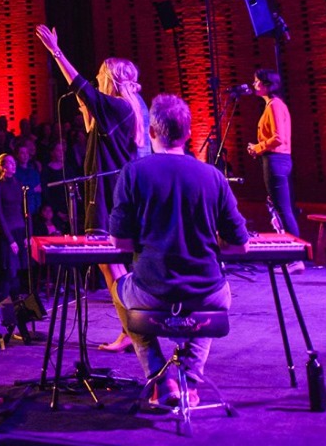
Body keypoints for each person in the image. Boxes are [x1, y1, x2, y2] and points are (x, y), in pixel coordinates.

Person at [107, 95, 250, 411]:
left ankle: (160, 377)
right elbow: (241, 244)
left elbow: (119, 243)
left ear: (151, 131)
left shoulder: (133, 173)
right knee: (217, 298)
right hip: (205, 291)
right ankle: (190, 378)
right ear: (188, 134)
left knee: (119, 289)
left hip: (153, 291)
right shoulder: (213, 176)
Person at [34, 24, 146, 350]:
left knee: (110, 264)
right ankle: (131, 329)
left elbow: (78, 83)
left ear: (111, 79)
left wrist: (56, 51)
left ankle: (134, 329)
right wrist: (87, 111)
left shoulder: (118, 106)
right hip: (113, 192)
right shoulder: (126, 107)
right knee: (111, 265)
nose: (96, 80)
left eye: (100, 76)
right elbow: (97, 137)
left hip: (108, 196)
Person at [245, 70, 301, 241]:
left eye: (257, 81)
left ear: (267, 84)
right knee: (282, 209)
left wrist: (258, 147)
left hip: (276, 160)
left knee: (283, 210)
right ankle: (293, 249)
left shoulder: (274, 105)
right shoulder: (275, 105)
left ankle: (296, 250)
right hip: (279, 160)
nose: (254, 84)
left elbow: (278, 138)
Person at [0, 152, 28, 297]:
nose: (13, 165)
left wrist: (27, 235)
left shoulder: (18, 184)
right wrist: (10, 239)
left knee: (19, 271)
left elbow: (23, 210)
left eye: (14, 163)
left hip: (20, 230)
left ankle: (16, 304)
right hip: (7, 232)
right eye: (10, 163)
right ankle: (5, 305)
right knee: (9, 272)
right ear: (2, 167)